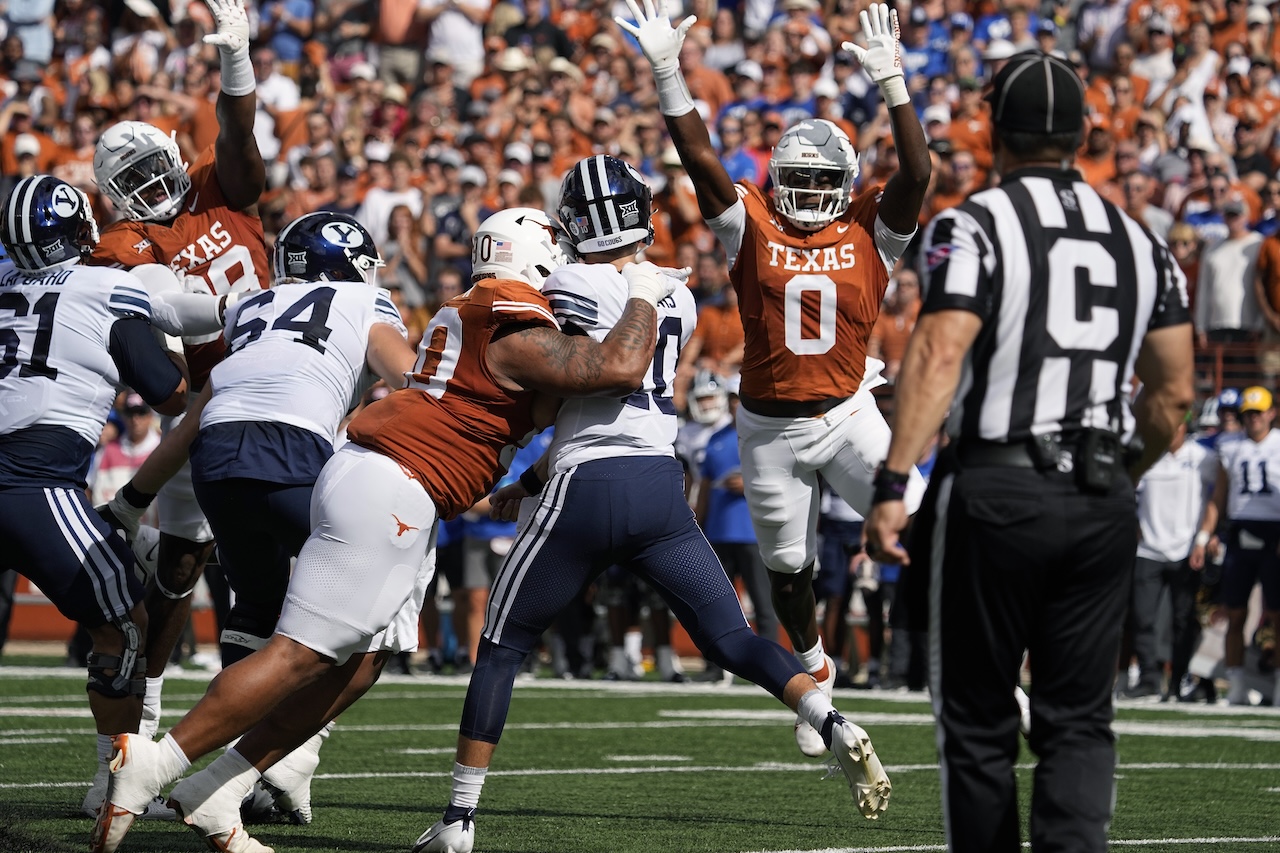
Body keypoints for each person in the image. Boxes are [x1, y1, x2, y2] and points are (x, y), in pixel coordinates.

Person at [90, 206, 678, 853]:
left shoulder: (478, 308)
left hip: (386, 478)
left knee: (367, 657)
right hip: (394, 481)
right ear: (535, 260)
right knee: (298, 651)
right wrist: (644, 294)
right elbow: (616, 367)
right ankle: (159, 761)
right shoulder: (510, 319)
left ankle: (220, 789)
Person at [412, 155, 891, 853]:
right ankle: (830, 719)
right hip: (658, 487)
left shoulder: (568, 280)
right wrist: (533, 474)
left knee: (502, 647)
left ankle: (458, 818)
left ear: (577, 222)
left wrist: (537, 464)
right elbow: (624, 401)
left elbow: (578, 383)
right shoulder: (679, 295)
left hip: (586, 485)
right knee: (731, 638)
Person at [864, 51, 1195, 852]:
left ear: (993, 134)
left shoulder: (972, 223)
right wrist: (1126, 468)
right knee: (1080, 718)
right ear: (1083, 134)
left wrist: (894, 477)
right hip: (1099, 494)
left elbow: (940, 352)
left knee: (978, 724)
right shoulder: (1140, 241)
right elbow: (1174, 394)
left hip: (999, 490)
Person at [622, 0, 929, 757]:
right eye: (795, 176)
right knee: (790, 569)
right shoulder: (749, 220)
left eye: (821, 179)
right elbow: (700, 161)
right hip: (768, 427)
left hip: (852, 410)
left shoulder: (871, 226)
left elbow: (919, 170)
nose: (808, 190)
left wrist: (893, 82)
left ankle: (974, 658)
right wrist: (667, 73)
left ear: (848, 180)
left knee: (930, 527)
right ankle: (813, 665)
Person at [86, 0, 269, 811]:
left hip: (284, 386)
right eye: (131, 183)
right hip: (202, 403)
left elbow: (243, 151)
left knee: (290, 562)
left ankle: (269, 762)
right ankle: (149, 724)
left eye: (155, 167)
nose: (152, 186)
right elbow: (149, 321)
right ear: (113, 196)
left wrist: (238, 65)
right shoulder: (121, 245)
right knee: (180, 569)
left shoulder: (212, 183)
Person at [186, 211, 419, 824]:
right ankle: (288, 757)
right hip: (292, 448)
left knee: (257, 605)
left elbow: (222, 391)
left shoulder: (251, 306)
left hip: (214, 453)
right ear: (349, 265)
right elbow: (414, 381)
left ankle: (229, 777)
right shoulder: (366, 299)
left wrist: (136, 494)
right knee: (376, 611)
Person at [0, 176, 187, 823]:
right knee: (124, 624)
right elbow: (168, 392)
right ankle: (115, 783)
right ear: (82, 232)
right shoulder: (104, 287)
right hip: (31, 478)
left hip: (25, 472)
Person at [1190, 386, 1280, 706]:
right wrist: (1203, 537)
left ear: (1271, 412)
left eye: (1257, 413)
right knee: (1234, 612)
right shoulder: (1230, 446)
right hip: (1240, 531)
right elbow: (1218, 497)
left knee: (1276, 612)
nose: (1252, 419)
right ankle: (1237, 682)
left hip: (1275, 532)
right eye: (1247, 414)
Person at [1126, 413, 1216, 702]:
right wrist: (1133, 524)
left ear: (1183, 427)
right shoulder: (1144, 455)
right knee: (1142, 618)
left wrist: (1204, 537)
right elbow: (1126, 489)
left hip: (1186, 551)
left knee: (1182, 620)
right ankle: (1149, 679)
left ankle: (1178, 681)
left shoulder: (1203, 457)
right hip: (1148, 549)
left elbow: (1219, 496)